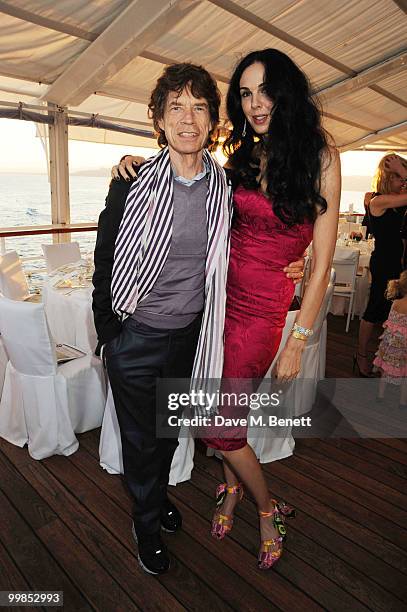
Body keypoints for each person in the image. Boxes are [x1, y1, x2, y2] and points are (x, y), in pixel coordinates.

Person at [92, 62, 304, 576]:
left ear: (214, 121)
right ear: (158, 121)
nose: (188, 119)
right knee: (140, 442)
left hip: (193, 338)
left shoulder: (225, 188)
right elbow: (102, 262)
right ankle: (146, 525)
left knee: (168, 435)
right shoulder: (132, 182)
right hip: (137, 336)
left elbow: (263, 232)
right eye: (175, 108)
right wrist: (111, 337)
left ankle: (156, 497)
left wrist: (302, 261)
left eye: (199, 107)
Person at [199, 49, 340, 570]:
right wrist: (135, 168)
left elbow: (323, 264)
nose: (255, 104)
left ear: (288, 93)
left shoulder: (322, 156)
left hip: (261, 311)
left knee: (221, 427)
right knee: (227, 412)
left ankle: (265, 506)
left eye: (265, 91)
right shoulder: (241, 153)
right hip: (219, 301)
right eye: (245, 93)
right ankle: (230, 490)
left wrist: (299, 340)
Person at [356, 153, 407, 377]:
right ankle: (360, 356)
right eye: (399, 178)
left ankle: (386, 360)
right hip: (385, 265)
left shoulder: (399, 199)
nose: (403, 182)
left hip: (400, 266)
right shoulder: (378, 201)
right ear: (388, 177)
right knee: (375, 310)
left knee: (394, 315)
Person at [373, 270, 407, 407]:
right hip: (404, 349)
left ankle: (380, 396)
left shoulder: (396, 303)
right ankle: (402, 401)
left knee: (385, 371)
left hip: (391, 346)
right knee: (405, 375)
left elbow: (390, 323)